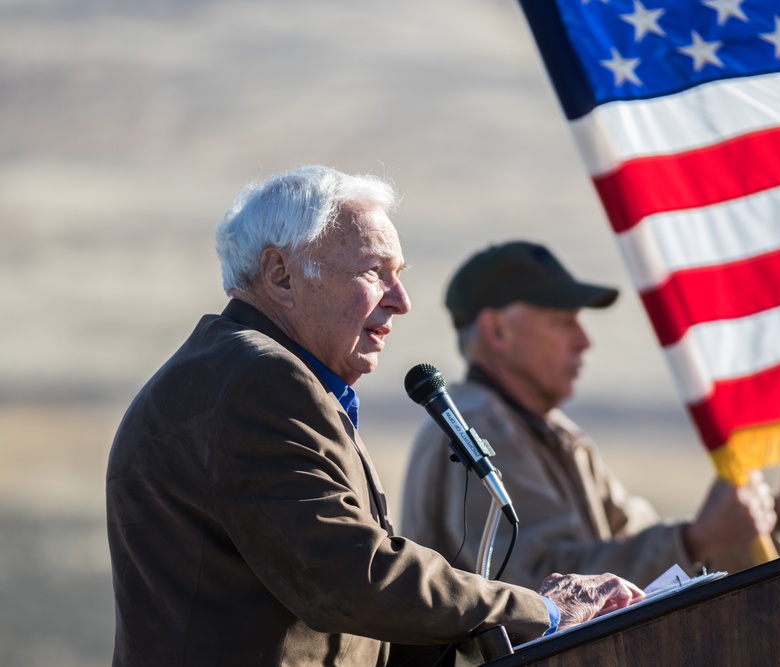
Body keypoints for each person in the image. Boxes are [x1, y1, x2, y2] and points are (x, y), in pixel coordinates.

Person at [105, 167, 645, 667]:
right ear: (281, 276)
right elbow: (351, 578)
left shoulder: (243, 370)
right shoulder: (259, 381)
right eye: (374, 271)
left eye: (399, 274)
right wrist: (542, 613)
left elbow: (349, 615)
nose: (402, 300)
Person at [401, 240, 780, 589]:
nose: (584, 341)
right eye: (563, 323)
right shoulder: (477, 426)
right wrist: (697, 540)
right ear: (497, 330)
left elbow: (651, 558)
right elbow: (540, 587)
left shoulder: (554, 434)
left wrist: (778, 515)